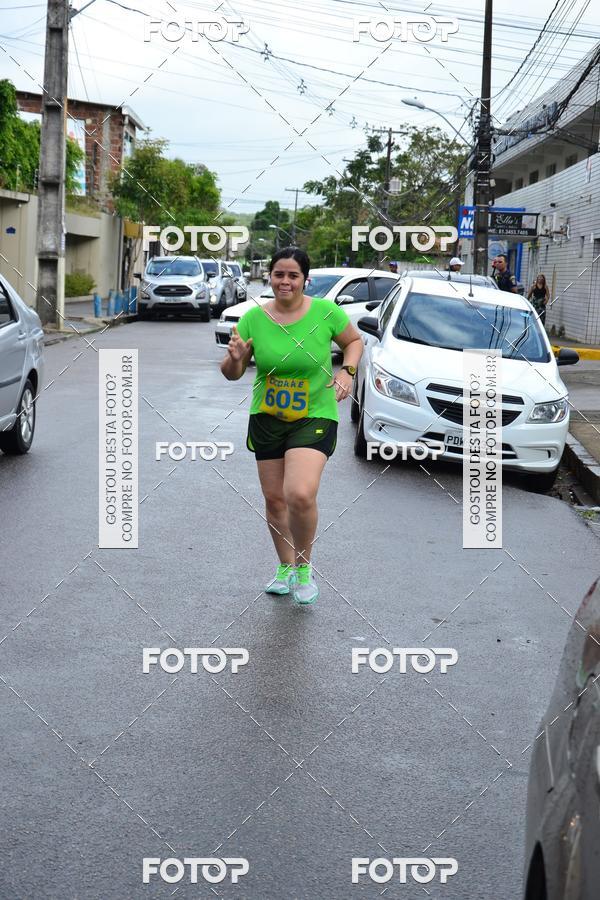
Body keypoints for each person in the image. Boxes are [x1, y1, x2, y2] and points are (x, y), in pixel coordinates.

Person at [220, 247, 363, 606]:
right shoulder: (253, 318)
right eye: (279, 274)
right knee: (274, 499)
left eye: (293, 275)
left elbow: (354, 342)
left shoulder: (325, 313)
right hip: (267, 417)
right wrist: (236, 359)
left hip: (315, 413)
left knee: (299, 492)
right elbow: (232, 373)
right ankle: (284, 567)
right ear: (269, 277)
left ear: (305, 279)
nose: (285, 281)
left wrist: (347, 371)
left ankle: (303, 567)